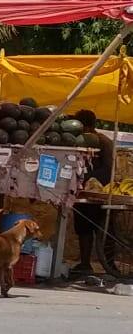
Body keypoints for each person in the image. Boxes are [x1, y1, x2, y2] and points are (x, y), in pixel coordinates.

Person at [72, 109, 114, 274]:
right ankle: (85, 264)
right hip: (82, 193)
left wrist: (89, 178)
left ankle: (110, 265)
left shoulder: (104, 142)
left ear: (86, 126)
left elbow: (107, 170)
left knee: (104, 230)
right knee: (83, 228)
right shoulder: (80, 141)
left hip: (99, 192)